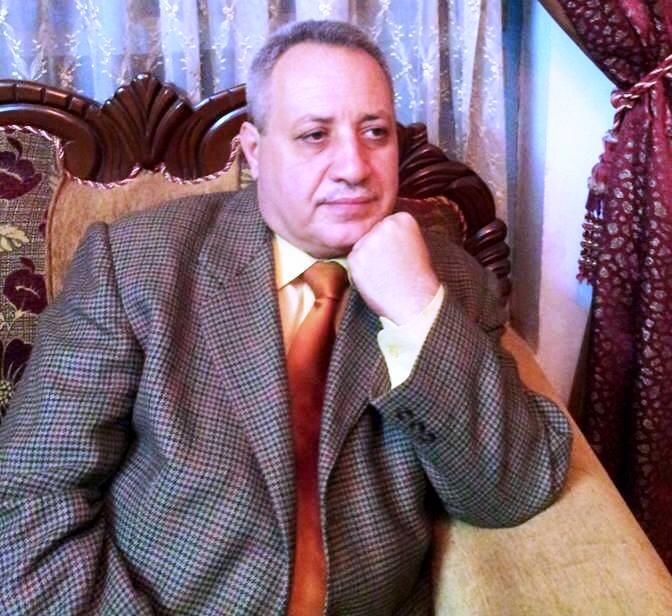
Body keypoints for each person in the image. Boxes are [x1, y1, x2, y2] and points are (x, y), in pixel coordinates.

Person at [0, 20, 572, 616]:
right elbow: (27, 499)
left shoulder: (449, 281)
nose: (354, 167)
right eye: (315, 135)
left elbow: (512, 488)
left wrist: (418, 311)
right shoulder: (136, 264)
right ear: (254, 150)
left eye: (375, 132)